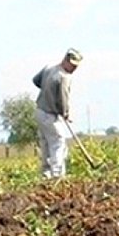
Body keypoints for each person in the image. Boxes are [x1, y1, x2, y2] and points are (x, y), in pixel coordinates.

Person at [32, 48, 82, 179]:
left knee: (46, 142)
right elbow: (63, 97)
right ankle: (57, 173)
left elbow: (36, 80)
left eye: (76, 66)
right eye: (72, 64)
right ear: (65, 60)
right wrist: (65, 113)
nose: (73, 68)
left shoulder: (49, 68)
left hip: (39, 110)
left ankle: (46, 173)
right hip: (49, 113)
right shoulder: (64, 76)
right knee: (58, 141)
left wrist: (47, 90)